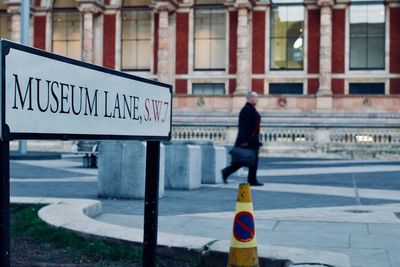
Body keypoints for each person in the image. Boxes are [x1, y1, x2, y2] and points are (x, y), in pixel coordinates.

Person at [221, 91, 264, 186]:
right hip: (248, 140)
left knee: (245, 161)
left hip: (252, 139)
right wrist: (244, 141)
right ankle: (251, 180)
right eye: (256, 97)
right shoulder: (247, 109)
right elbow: (244, 127)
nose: (257, 99)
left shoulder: (251, 109)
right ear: (250, 98)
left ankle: (227, 172)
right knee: (246, 160)